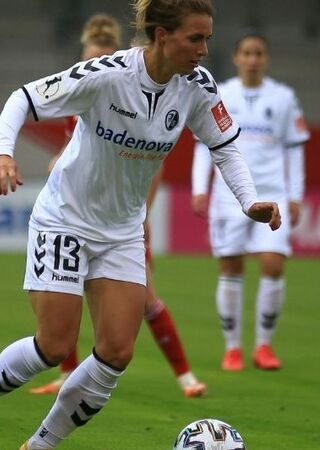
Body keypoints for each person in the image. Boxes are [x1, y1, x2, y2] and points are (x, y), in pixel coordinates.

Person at [0, 1, 281, 448]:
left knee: (117, 352)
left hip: (122, 230)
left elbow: (225, 147)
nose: (203, 50)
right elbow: (23, 99)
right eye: (195, 38)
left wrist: (249, 200)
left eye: (207, 39)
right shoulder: (107, 74)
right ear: (161, 35)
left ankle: (40, 445)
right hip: (66, 218)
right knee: (55, 345)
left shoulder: (198, 86)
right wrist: (2, 151)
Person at [31, 13, 207, 399]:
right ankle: (67, 374)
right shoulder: (79, 101)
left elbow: (149, 165)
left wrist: (142, 214)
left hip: (124, 220)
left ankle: (185, 375)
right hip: (80, 215)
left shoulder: (130, 93)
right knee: (65, 293)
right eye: (85, 60)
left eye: (99, 58)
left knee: (145, 300)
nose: (89, 67)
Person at [191, 33, 309, 372]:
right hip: (228, 196)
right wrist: (200, 188)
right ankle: (232, 349)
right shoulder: (221, 94)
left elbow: (295, 148)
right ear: (236, 57)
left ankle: (264, 346)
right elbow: (204, 145)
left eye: (258, 53)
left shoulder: (284, 97)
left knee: (273, 264)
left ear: (266, 58)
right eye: (247, 53)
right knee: (230, 268)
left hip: (273, 192)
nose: (253, 58)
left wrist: (296, 195)